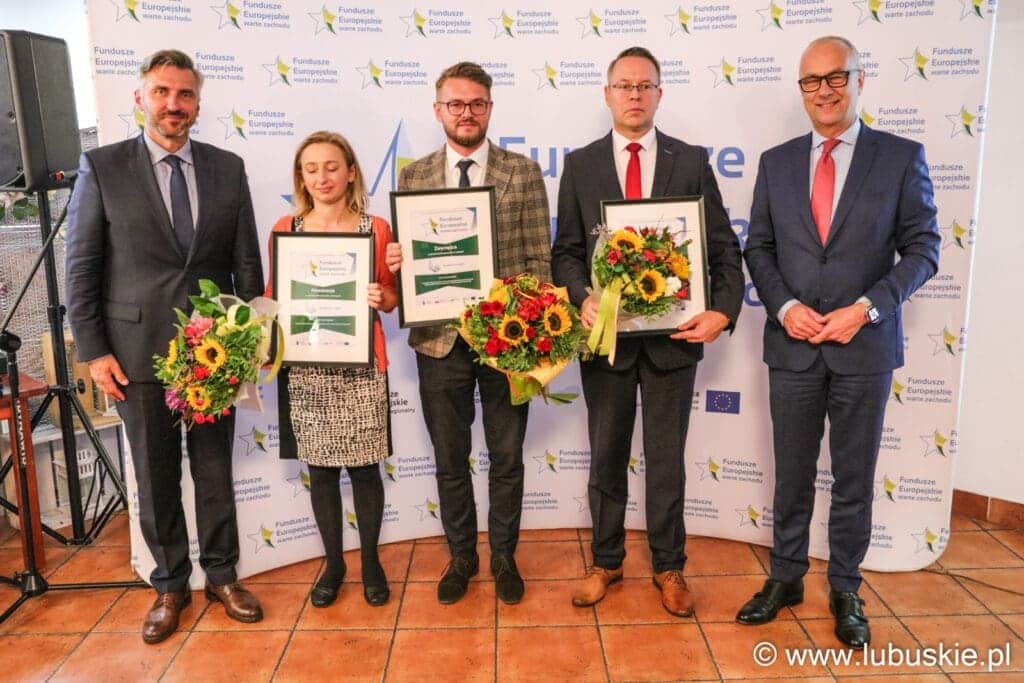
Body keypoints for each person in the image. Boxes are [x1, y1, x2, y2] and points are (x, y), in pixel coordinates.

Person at [738, 36, 940, 647]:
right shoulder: (776, 162)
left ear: (859, 79)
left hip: (864, 348)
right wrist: (786, 307)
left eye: (835, 77)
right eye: (811, 80)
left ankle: (846, 587)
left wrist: (867, 309)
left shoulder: (900, 157)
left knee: (853, 478)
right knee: (792, 475)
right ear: (801, 89)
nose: (823, 90)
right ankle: (785, 577)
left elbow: (924, 249)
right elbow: (759, 247)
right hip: (793, 346)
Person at [65, 49, 264, 644]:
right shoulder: (102, 167)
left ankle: (223, 575)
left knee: (214, 471)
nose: (173, 104)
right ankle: (170, 585)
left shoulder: (228, 167)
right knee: (154, 478)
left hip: (215, 353)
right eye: (161, 92)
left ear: (197, 104)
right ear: (141, 98)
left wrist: (248, 341)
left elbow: (247, 265)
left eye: (184, 94)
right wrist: (95, 351)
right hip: (135, 354)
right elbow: (81, 266)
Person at [551, 47, 744, 617]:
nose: (634, 95)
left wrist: (723, 312)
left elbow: (723, 249)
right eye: (624, 85)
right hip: (606, 344)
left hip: (672, 345)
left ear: (659, 94)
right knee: (606, 458)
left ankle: (669, 566)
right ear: (607, 94)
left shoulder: (692, 161)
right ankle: (605, 561)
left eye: (644, 86)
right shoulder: (580, 165)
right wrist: (582, 297)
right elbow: (565, 254)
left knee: (666, 462)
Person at [384, 62, 551, 605]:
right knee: (450, 460)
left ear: (490, 108)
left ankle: (503, 555)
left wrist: (522, 325)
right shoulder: (414, 177)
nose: (466, 113)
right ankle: (461, 556)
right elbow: (408, 266)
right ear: (438, 110)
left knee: (507, 457)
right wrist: (398, 263)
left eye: (477, 103)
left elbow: (539, 262)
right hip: (439, 340)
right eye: (455, 104)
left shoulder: (522, 172)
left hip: (507, 343)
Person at [264, 131, 397, 608]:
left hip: (362, 365)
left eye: (332, 166)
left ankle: (371, 562)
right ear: (301, 178)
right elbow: (273, 295)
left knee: (365, 470)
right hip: (306, 366)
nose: (322, 177)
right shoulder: (285, 228)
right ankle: (334, 564)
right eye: (311, 169)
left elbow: (391, 295)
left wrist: (382, 297)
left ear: (351, 171)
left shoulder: (376, 228)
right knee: (320, 472)